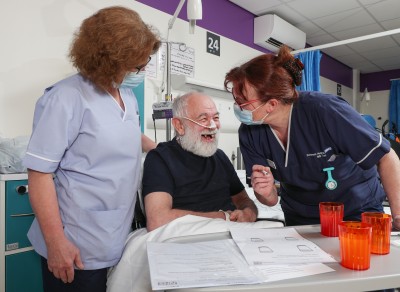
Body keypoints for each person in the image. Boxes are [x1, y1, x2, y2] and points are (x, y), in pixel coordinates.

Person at [22, 6, 161, 292]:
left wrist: (164, 151)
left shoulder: (126, 94)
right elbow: (39, 175)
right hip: (76, 243)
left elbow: (126, 132)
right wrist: (56, 243)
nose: (141, 71)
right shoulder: (65, 98)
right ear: (109, 61)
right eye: (136, 66)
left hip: (117, 233)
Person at [224, 45, 400, 230]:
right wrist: (266, 193)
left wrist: (397, 215)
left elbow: (386, 157)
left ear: (271, 104)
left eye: (242, 101)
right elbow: (270, 199)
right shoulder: (249, 132)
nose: (238, 107)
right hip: (302, 216)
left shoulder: (325, 110)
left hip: (355, 209)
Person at [142, 92, 258, 231]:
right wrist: (223, 217)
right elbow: (158, 220)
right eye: (203, 119)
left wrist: (249, 212)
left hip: (233, 233)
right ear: (179, 125)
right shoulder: (160, 159)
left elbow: (243, 200)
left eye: (216, 118)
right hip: (189, 238)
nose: (213, 126)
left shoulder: (219, 156)